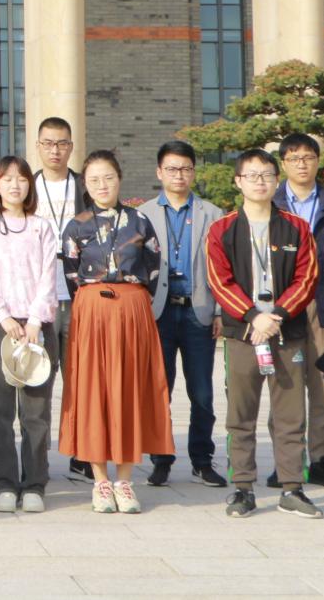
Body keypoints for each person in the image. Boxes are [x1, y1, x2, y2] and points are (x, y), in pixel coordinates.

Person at [205, 149, 324, 520]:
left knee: (291, 415)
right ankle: (242, 488)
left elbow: (307, 278)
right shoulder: (222, 229)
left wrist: (278, 315)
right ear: (238, 181)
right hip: (243, 334)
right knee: (240, 414)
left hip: (287, 332)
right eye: (252, 175)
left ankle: (292, 488)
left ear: (277, 180)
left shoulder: (296, 227)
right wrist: (254, 316)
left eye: (267, 175)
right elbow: (219, 280)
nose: (260, 182)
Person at [57, 150, 174, 514]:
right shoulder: (76, 226)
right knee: (93, 390)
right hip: (92, 311)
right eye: (94, 180)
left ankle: (124, 479)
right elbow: (72, 273)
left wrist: (132, 301)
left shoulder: (140, 221)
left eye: (108, 177)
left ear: (119, 179)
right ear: (85, 184)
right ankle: (100, 481)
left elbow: (153, 268)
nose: (102, 185)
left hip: (132, 309)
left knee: (129, 389)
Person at [0, 155, 59, 514]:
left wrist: (34, 320)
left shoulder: (41, 227)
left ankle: (35, 483)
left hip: (37, 324)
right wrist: (4, 317)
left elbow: (48, 277)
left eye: (21, 179)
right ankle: (5, 482)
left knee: (35, 410)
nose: (15, 185)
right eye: (7, 179)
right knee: (0, 409)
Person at [138, 139, 227, 489]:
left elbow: (222, 267)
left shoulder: (212, 214)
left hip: (198, 311)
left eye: (186, 168)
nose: (179, 175)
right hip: (158, 313)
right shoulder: (143, 214)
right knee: (159, 390)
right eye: (172, 169)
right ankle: (161, 459)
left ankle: (202, 460)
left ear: (194, 172)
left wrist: (219, 310)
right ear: (159, 172)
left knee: (202, 392)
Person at [272, 132, 324, 490]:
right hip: (283, 304)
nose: (301, 164)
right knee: (285, 385)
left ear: (318, 162)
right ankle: (286, 462)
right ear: (283, 164)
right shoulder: (271, 203)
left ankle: (321, 460)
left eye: (308, 157)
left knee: (323, 386)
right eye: (294, 158)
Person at [31, 115, 93, 480]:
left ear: (71, 147)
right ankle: (36, 456)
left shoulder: (85, 186)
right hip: (39, 297)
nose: (55, 150)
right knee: (39, 378)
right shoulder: (26, 187)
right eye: (48, 143)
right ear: (38, 146)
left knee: (80, 377)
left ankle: (81, 453)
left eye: (62, 144)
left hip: (79, 294)